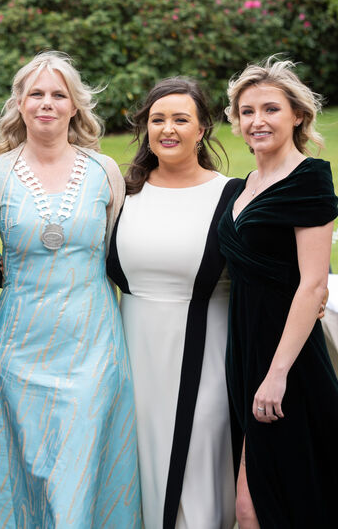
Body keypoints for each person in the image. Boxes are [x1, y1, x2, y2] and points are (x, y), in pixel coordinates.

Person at [0, 51, 142, 527]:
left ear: (75, 106)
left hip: (93, 345)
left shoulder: (105, 171)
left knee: (79, 469)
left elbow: (119, 255)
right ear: (19, 104)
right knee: (22, 471)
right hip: (19, 347)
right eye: (36, 94)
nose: (47, 103)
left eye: (58, 94)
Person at [217, 57, 338, 528]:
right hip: (244, 350)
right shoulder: (240, 187)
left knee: (276, 497)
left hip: (286, 358)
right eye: (247, 111)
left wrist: (277, 374)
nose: (258, 121)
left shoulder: (309, 179)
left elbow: (314, 284)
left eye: (270, 109)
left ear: (297, 115)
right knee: (255, 499)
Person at [106, 77, 240, 529]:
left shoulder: (232, 195)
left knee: (201, 457)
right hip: (131, 351)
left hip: (207, 351)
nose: (168, 129)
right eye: (157, 119)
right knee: (137, 462)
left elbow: (268, 269)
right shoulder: (122, 193)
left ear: (202, 129)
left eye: (181, 119)